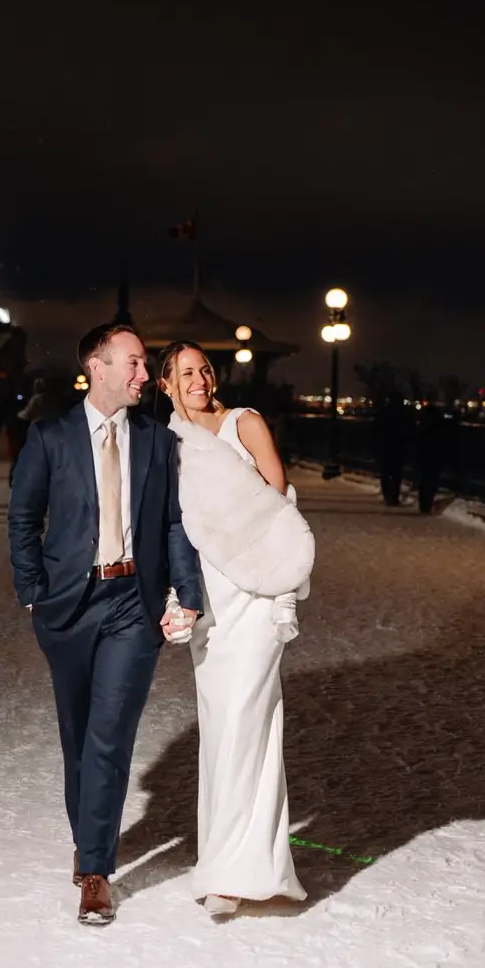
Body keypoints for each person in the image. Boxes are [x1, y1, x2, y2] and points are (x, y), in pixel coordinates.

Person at [8, 324, 203, 925]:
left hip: (130, 606)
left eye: (144, 366)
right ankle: (88, 837)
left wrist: (186, 592)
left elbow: (172, 523)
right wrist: (34, 594)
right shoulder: (49, 438)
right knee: (78, 737)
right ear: (98, 365)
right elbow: (22, 520)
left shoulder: (154, 439)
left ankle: (95, 869)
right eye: (137, 364)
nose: (146, 375)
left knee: (110, 737)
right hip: (67, 607)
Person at [158, 341, 314, 917]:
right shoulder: (170, 442)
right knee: (221, 727)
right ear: (165, 384)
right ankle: (230, 862)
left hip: (253, 597)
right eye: (185, 372)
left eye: (204, 369)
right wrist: (180, 596)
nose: (199, 378)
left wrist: (269, 582)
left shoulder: (243, 422)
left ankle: (237, 874)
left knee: (249, 720)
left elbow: (278, 506)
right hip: (211, 604)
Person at [373, 391, 414, 506]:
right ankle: (394, 497)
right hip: (399, 447)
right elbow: (411, 431)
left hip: (385, 446)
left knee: (385, 473)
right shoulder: (405, 414)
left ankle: (387, 495)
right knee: (396, 474)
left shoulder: (383, 413)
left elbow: (376, 430)